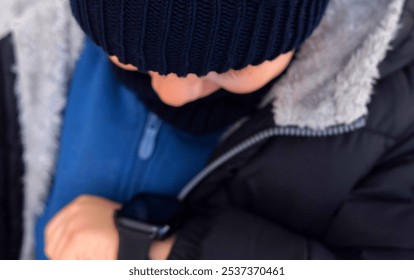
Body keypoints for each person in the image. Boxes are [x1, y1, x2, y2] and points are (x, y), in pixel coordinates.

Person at [0, 0, 413, 260]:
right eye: (133, 58)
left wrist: (158, 255)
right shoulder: (31, 40)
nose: (173, 94)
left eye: (228, 69)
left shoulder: (391, 114)